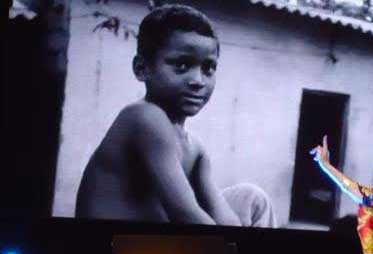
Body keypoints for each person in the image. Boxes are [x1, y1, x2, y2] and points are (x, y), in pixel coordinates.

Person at [75, 4, 276, 227]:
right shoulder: (143, 117)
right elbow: (187, 215)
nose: (198, 81)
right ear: (142, 68)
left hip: (161, 246)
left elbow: (223, 218)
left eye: (208, 68)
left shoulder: (195, 148)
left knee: (252, 198)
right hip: (114, 251)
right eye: (182, 65)